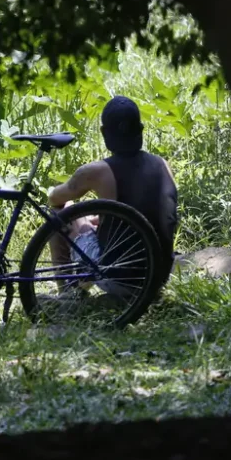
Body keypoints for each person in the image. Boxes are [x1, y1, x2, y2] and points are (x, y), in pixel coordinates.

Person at [44, 95, 179, 305]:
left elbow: (55, 198)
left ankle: (68, 293)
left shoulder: (97, 171)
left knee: (63, 212)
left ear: (104, 133)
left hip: (119, 277)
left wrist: (81, 216)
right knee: (90, 219)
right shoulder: (163, 165)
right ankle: (78, 289)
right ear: (140, 130)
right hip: (157, 275)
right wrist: (100, 218)